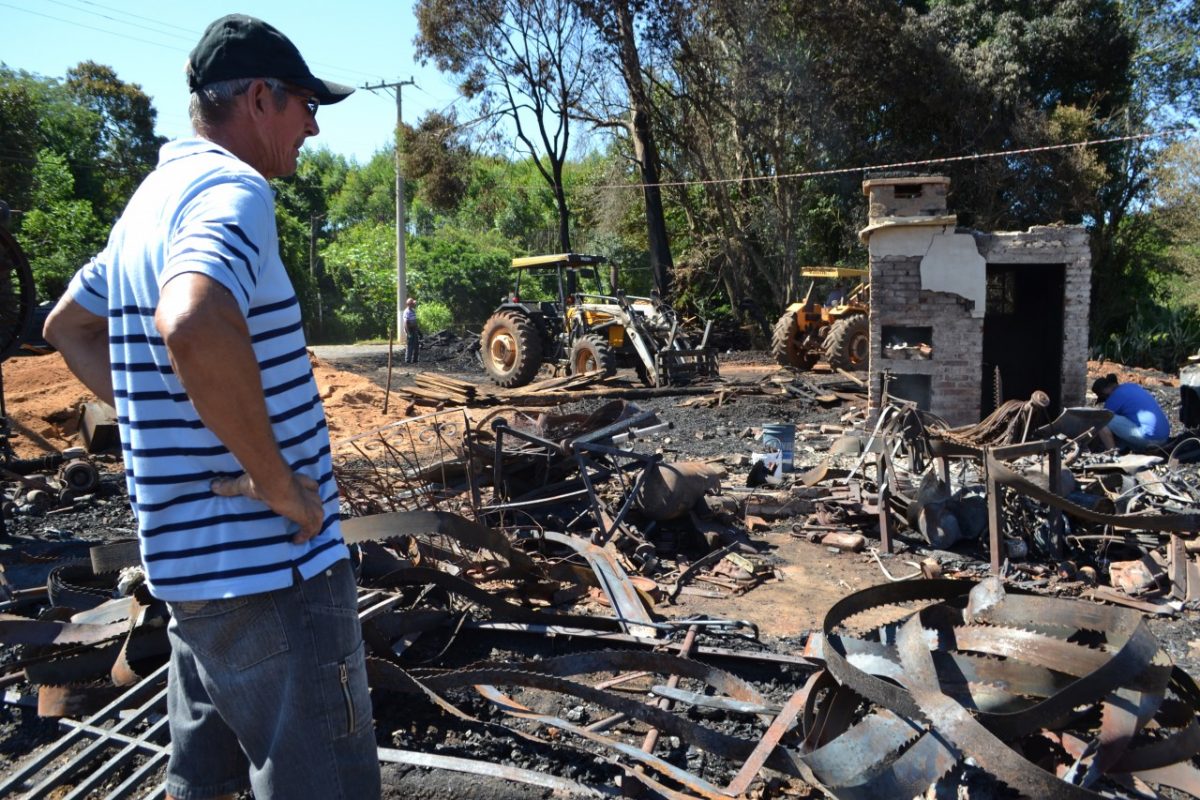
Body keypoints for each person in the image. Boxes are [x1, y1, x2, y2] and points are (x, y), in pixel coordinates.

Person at [43, 14, 380, 800]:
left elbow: (69, 327)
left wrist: (170, 410)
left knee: (205, 784)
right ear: (259, 99)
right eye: (304, 101)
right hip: (274, 574)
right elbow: (192, 318)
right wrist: (272, 478)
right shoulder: (235, 189)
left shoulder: (148, 202)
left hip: (191, 576)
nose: (316, 122)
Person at [1092, 373, 1170, 451]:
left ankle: (1113, 453)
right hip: (1164, 438)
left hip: (1150, 439)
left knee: (1101, 418)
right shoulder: (1131, 386)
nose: (1106, 400)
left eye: (1103, 397)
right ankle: (1125, 447)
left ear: (1104, 391)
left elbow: (1104, 421)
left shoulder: (1113, 398)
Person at [404, 296, 420, 364]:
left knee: (416, 345)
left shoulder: (413, 311)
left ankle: (415, 359)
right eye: (412, 303)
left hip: (414, 329)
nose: (414, 304)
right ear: (409, 304)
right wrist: (408, 333)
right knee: (410, 345)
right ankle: (408, 360)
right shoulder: (407, 312)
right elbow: (405, 323)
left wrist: (418, 330)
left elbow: (415, 321)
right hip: (410, 330)